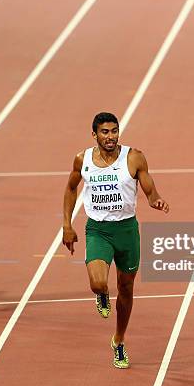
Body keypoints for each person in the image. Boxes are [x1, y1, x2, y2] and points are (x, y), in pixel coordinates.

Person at [63, 112, 169, 368]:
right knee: (99, 283)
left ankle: (119, 340)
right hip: (98, 230)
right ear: (94, 135)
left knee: (126, 289)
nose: (110, 137)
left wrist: (155, 199)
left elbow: (149, 188)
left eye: (114, 131)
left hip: (127, 232)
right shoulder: (83, 159)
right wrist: (66, 225)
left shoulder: (133, 157)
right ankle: (101, 294)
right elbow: (70, 188)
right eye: (105, 132)